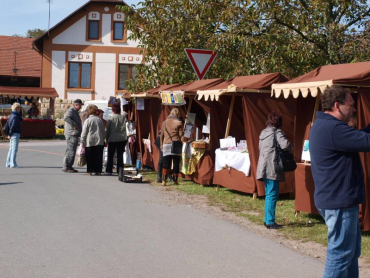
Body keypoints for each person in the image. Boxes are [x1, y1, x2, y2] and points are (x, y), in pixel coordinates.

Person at [310, 85, 370, 278]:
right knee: (340, 256)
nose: (353, 109)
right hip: (339, 204)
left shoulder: (328, 126)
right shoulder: (333, 129)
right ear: (337, 105)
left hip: (338, 201)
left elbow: (360, 137)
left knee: (350, 254)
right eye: (351, 105)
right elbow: (366, 142)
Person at [256, 112, 292, 229]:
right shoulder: (277, 133)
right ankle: (270, 221)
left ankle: (267, 219)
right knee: (272, 195)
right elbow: (285, 145)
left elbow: (260, 147)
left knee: (268, 194)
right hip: (272, 167)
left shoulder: (263, 133)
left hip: (263, 166)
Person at [160, 108, 184, 186]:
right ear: (177, 114)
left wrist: (161, 145)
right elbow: (181, 136)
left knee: (166, 162)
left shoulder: (164, 123)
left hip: (166, 144)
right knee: (176, 162)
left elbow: (162, 136)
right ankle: (175, 180)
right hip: (176, 144)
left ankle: (164, 181)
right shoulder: (179, 123)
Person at [81, 105, 105, 176]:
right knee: (98, 157)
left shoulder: (87, 120)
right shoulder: (99, 120)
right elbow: (103, 131)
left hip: (90, 141)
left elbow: (84, 132)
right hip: (99, 141)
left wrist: (82, 141)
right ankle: (98, 171)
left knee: (90, 157)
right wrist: (103, 139)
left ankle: (89, 171)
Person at [105, 104, 127, 175]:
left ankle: (109, 170)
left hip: (112, 139)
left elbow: (107, 130)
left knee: (110, 155)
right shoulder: (123, 118)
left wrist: (106, 139)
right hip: (122, 138)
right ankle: (120, 170)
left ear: (112, 110)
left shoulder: (111, 119)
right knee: (120, 155)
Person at [63, 99, 83, 173]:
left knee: (70, 150)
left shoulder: (75, 111)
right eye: (80, 105)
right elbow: (66, 118)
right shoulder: (71, 110)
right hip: (72, 133)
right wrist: (74, 125)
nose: (80, 107)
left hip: (73, 133)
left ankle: (67, 166)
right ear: (76, 105)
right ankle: (68, 166)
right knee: (71, 150)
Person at [5, 103, 23, 168]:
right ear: (17, 108)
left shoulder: (11, 115)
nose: (20, 109)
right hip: (15, 133)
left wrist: (9, 134)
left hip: (12, 133)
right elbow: (13, 126)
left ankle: (8, 163)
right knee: (14, 149)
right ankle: (13, 164)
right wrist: (10, 133)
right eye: (19, 108)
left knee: (11, 149)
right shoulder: (16, 116)